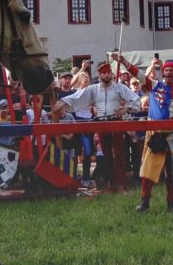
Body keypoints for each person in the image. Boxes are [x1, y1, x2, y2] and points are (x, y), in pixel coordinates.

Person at [52, 61, 139, 191]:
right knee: (106, 155)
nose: (107, 75)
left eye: (108, 72)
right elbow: (78, 96)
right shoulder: (94, 89)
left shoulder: (119, 87)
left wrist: (126, 108)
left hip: (115, 121)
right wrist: (63, 102)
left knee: (119, 154)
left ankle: (122, 184)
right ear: (99, 75)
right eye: (104, 73)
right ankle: (112, 184)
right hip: (101, 122)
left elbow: (136, 99)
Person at [137, 58, 173, 212]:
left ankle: (172, 203)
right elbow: (140, 76)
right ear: (163, 73)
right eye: (166, 70)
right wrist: (124, 62)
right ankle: (145, 201)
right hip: (156, 135)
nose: (168, 73)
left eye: (171, 71)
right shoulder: (155, 86)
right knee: (148, 171)